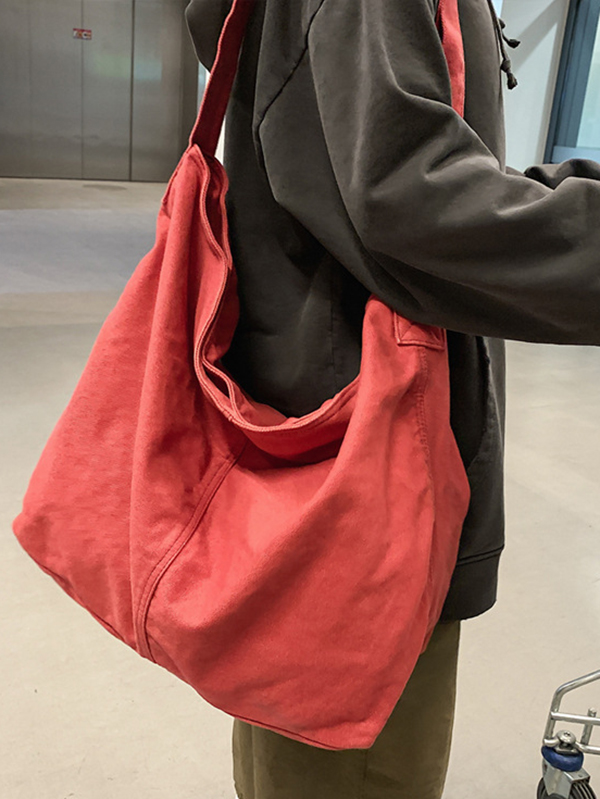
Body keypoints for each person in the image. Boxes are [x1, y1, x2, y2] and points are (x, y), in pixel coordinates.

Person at [184, 1, 600, 797]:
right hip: (368, 486)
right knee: (358, 765)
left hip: (334, 457)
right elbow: (406, 195)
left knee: (303, 755)